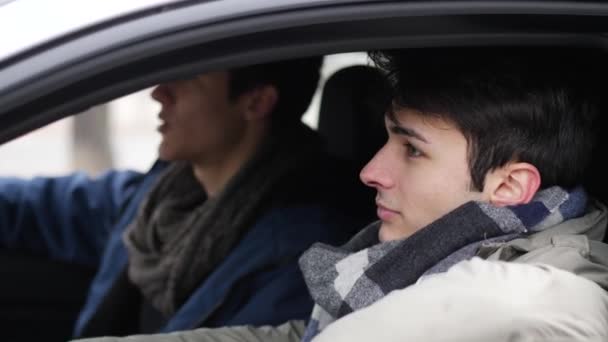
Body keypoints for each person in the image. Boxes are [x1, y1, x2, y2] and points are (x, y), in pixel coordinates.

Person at [74, 47, 608, 342]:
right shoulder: (432, 255)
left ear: (510, 186)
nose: (371, 171)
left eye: (412, 150)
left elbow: (544, 305)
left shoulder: (539, 299)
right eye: (385, 140)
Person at [0, 57, 367, 338]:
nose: (159, 91)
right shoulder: (168, 192)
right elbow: (57, 207)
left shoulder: (304, 252)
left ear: (256, 102)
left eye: (189, 75)